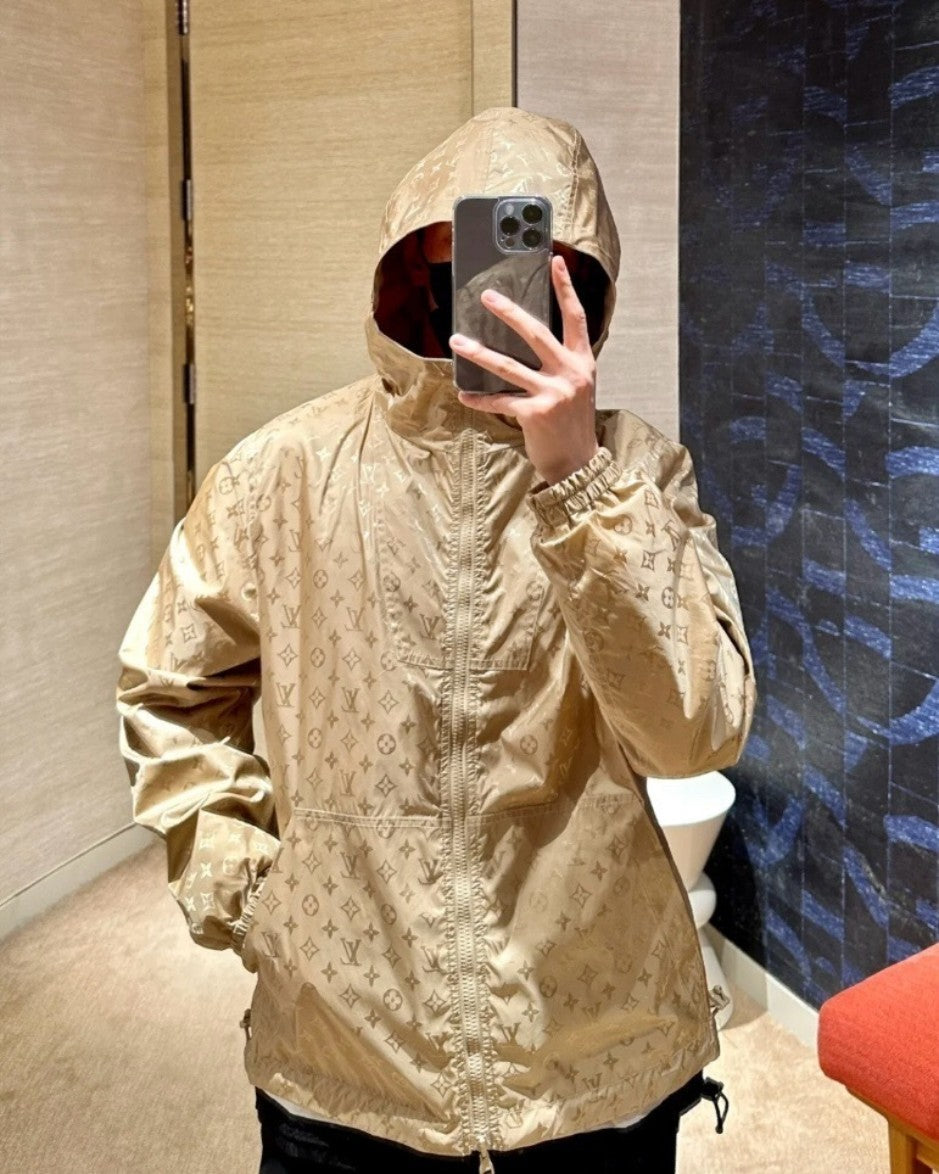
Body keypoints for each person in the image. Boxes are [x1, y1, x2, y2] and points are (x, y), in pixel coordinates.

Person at [116, 106, 755, 1174]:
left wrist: (577, 482)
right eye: (455, 262)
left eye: (533, 267)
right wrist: (254, 892)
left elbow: (694, 733)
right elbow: (168, 685)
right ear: (406, 265)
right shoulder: (280, 473)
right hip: (344, 1057)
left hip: (597, 1059)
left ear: (582, 289)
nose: (492, 296)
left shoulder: (639, 474)